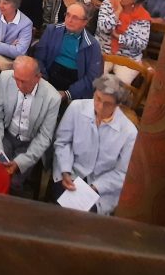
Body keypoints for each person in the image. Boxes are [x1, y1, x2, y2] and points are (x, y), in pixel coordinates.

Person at [49, 75, 138, 214]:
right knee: (57, 210)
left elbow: (122, 172)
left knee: (83, 219)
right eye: (98, 99)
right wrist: (65, 171)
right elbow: (63, 142)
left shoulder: (129, 132)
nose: (100, 106)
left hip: (101, 188)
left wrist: (95, 187)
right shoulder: (76, 108)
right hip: (70, 173)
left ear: (117, 105)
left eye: (107, 104)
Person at [0, 56, 60, 196]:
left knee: (14, 182)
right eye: (17, 79)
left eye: (24, 82)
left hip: (30, 143)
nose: (19, 86)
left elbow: (44, 137)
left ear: (37, 78)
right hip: (6, 135)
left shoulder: (52, 98)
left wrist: (20, 163)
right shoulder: (5, 78)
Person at [31, 2, 102, 104]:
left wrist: (67, 93)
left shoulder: (92, 44)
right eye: (68, 15)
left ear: (85, 22)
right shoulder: (52, 30)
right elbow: (39, 58)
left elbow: (92, 77)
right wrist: (44, 82)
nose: (69, 20)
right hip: (48, 76)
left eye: (75, 18)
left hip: (73, 84)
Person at [95, 0, 151, 83]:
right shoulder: (108, 4)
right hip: (103, 52)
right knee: (95, 77)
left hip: (128, 58)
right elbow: (104, 28)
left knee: (120, 85)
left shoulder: (143, 16)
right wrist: (117, 12)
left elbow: (142, 44)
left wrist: (119, 37)